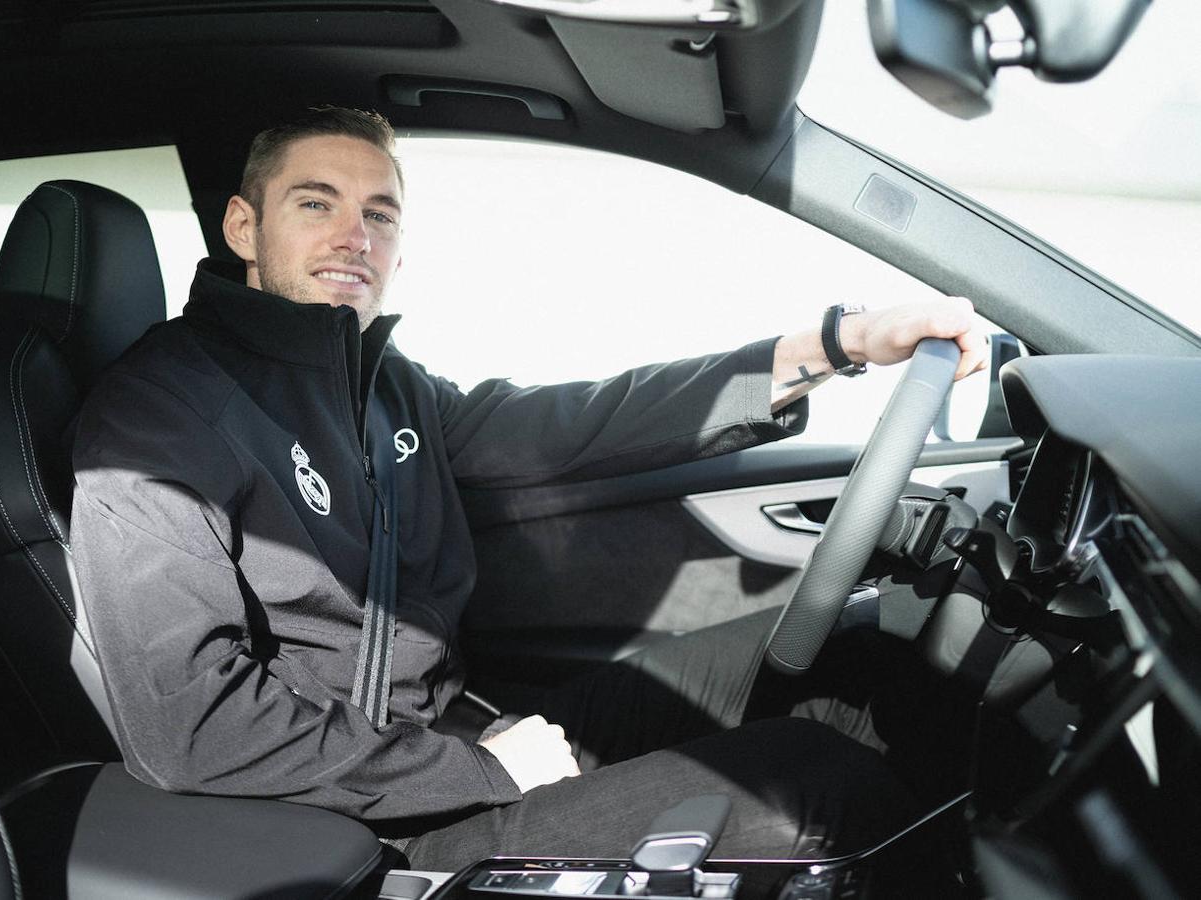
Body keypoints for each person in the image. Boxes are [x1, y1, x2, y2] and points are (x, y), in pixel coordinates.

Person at [70, 107, 985, 870]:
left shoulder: (387, 388)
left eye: (381, 216)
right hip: (367, 827)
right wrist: (481, 772)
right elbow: (195, 723)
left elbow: (588, 420)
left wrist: (842, 345)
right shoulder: (158, 419)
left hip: (465, 737)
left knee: (854, 664)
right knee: (811, 789)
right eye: (318, 204)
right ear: (243, 228)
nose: (355, 237)